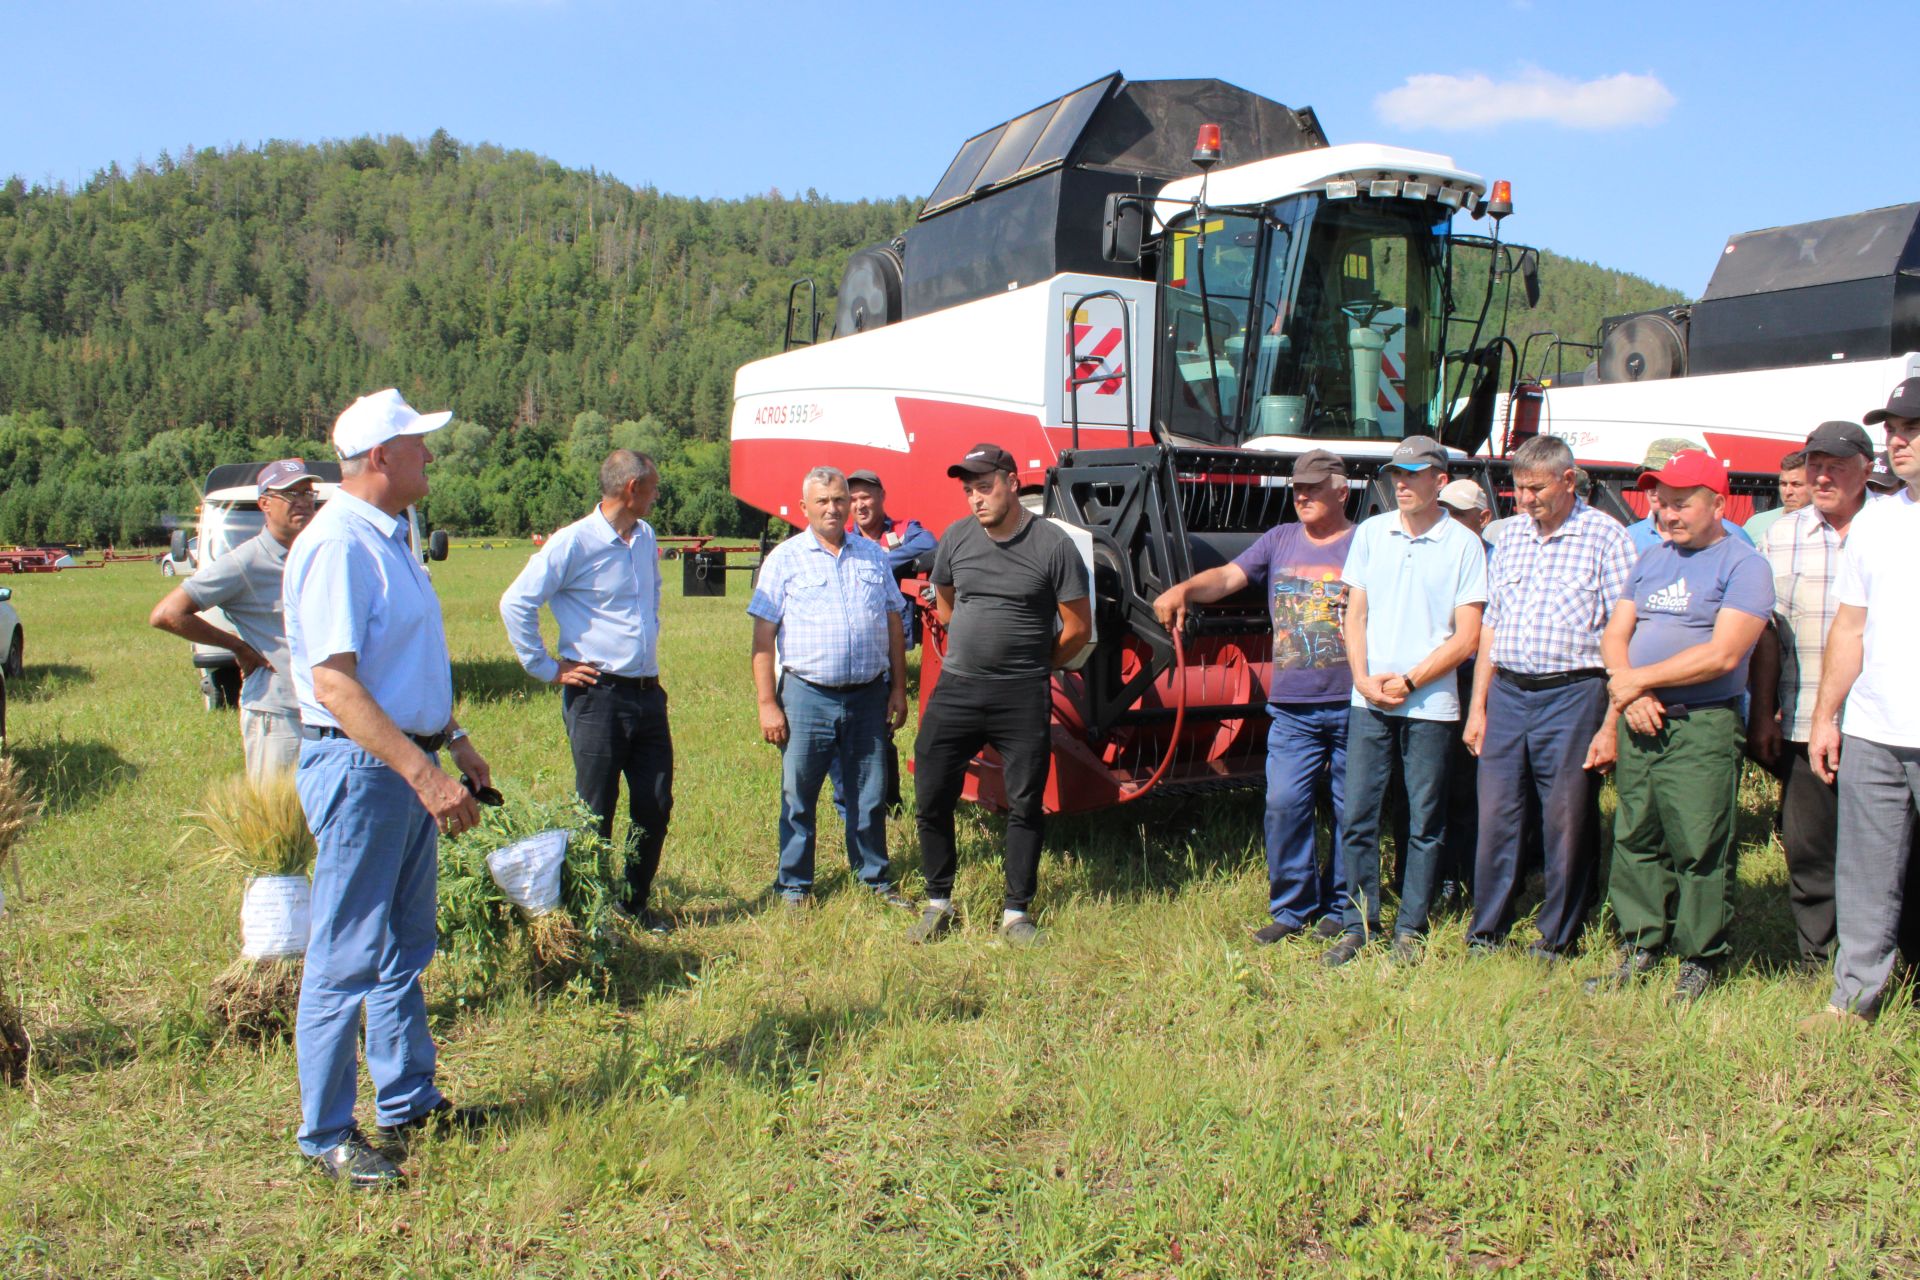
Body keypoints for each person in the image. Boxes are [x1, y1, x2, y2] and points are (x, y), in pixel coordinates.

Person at [284, 389, 494, 1187]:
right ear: (380, 458)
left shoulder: (389, 536)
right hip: (367, 770)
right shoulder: (340, 545)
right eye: (417, 445)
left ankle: (407, 1096)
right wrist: (422, 773)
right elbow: (336, 686)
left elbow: (402, 664)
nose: (428, 457)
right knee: (345, 955)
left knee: (403, 947)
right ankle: (326, 1134)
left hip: (405, 763)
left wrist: (455, 742)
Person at [1151, 449, 1354, 944]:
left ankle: (1344, 908)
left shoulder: (1368, 543)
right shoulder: (1280, 539)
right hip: (1292, 709)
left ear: (1342, 491)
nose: (1301, 495)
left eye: (1313, 487)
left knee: (1354, 810)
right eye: (1297, 487)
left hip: (1356, 703)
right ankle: (1292, 909)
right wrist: (1184, 589)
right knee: (1284, 803)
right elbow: (1227, 578)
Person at [1593, 449, 1772, 1003]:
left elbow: (1724, 654)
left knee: (1699, 842)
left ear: (1718, 503)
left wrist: (1634, 682)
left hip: (1700, 724)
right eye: (1661, 501)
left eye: (1681, 503)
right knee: (1636, 834)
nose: (1667, 514)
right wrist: (1633, 688)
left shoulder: (1743, 564)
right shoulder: (1651, 560)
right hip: (1640, 716)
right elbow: (1613, 636)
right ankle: (1642, 942)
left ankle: (1701, 956)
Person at [906, 444, 1089, 945]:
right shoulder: (957, 538)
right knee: (931, 791)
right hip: (958, 689)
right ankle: (938, 900)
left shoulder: (1052, 545)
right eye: (968, 491)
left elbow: (1077, 626)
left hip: (1023, 693)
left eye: (984, 487)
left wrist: (1032, 662)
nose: (975, 499)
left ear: (1011, 482)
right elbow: (945, 605)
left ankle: (1015, 914)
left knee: (1026, 802)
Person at [1463, 435, 1636, 960]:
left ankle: (1559, 935)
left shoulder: (1607, 537)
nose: (1525, 499)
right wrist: (1478, 707)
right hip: (1510, 692)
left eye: (1536, 488)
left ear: (1568, 480)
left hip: (1574, 694)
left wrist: (1611, 722)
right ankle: (1486, 928)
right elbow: (1491, 627)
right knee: (1496, 816)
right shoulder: (1507, 536)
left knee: (1566, 818)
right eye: (1518, 488)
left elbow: (1624, 632)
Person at [1326, 436, 1487, 967]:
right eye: (1396, 473)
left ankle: (1411, 928)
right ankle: (1359, 924)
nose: (1401, 483)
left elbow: (1467, 637)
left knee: (1425, 819)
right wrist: (1364, 679)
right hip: (1368, 699)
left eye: (1413, 474)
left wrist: (1411, 682)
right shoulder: (1373, 533)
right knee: (1359, 814)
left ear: (1439, 481)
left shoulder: (1463, 544)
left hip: (1429, 705)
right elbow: (1355, 615)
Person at [499, 449, 674, 930]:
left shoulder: (645, 537)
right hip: (598, 695)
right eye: (654, 487)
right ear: (631, 489)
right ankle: (593, 913)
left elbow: (651, 597)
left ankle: (634, 905)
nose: (658, 496)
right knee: (595, 809)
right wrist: (546, 668)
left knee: (655, 803)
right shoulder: (572, 543)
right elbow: (516, 602)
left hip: (646, 693)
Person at [1802, 381, 1920, 1029]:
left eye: (1912, 426)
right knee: (1866, 875)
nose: (1897, 438)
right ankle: (1853, 1000)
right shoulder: (1877, 520)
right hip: (1874, 727)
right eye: (1893, 426)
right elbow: (1850, 627)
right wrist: (1827, 716)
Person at [747, 466, 911, 909]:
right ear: (805, 508)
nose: (834, 508)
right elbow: (763, 638)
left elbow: (894, 621)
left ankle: (874, 879)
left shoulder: (873, 555)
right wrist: (767, 703)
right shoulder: (784, 558)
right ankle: (795, 886)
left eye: (839, 499)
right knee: (799, 796)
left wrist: (898, 688)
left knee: (869, 794)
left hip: (867, 695)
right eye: (823, 501)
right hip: (807, 696)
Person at [1746, 423, 1876, 969]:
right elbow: (1768, 632)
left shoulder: (1893, 528)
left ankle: (1886, 958)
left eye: (1835, 465)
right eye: (1815, 465)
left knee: (1884, 849)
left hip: (1881, 722)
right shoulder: (1782, 536)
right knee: (1810, 848)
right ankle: (1816, 957)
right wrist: (1764, 709)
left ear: (1867, 469)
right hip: (1803, 718)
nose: (1822, 476)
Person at [149, 458, 317, 780]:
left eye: (307, 492)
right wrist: (237, 647)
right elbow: (166, 614)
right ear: (265, 504)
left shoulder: (318, 553)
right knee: (280, 820)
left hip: (326, 713)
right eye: (290, 494)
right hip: (279, 713)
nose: (302, 501)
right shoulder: (247, 561)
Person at [829, 467, 936, 816]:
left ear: (881, 498)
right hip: (848, 646)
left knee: (881, 730)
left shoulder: (903, 531)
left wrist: (880, 561)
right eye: (854, 498)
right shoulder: (841, 536)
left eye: (866, 497)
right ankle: (849, 802)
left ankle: (890, 802)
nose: (860, 505)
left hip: (888, 646)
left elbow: (930, 544)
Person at [1625, 438, 1754, 553]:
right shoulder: (1628, 538)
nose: (1653, 489)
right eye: (1651, 477)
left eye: (1664, 479)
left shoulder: (1734, 539)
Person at [1743, 449, 1810, 543]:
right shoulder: (1756, 523)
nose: (1788, 491)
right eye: (1783, 484)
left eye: (1796, 484)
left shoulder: (1824, 527)